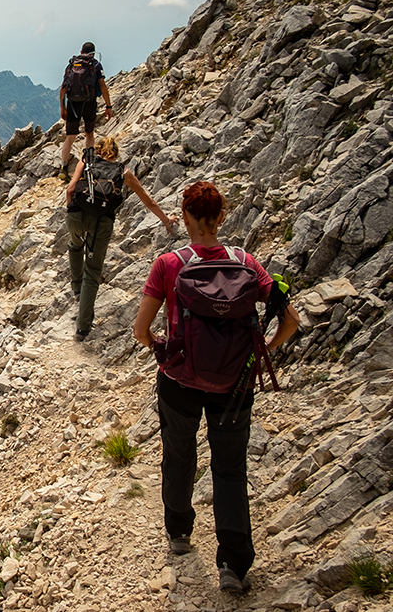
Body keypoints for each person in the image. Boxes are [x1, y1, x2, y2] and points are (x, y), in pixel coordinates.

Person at [132, 181, 300, 594]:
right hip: (235, 384)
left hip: (179, 381)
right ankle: (233, 563)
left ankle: (179, 531)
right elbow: (291, 320)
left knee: (179, 454)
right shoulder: (247, 262)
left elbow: (140, 330)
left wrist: (161, 349)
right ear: (221, 217)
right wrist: (261, 354)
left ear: (185, 216)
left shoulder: (168, 264)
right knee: (229, 467)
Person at [66, 136, 176, 341]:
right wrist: (166, 219)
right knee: (93, 270)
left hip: (77, 215)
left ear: (98, 150)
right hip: (102, 222)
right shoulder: (123, 172)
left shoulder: (86, 161)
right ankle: (82, 329)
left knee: (74, 245)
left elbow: (70, 189)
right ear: (115, 154)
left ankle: (76, 286)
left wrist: (71, 210)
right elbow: (148, 200)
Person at [60, 42, 113, 170]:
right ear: (93, 53)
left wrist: (63, 107)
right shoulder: (95, 64)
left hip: (72, 103)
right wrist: (108, 106)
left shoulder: (72, 65)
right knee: (89, 133)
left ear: (81, 51)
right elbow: (103, 87)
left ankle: (63, 166)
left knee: (70, 137)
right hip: (89, 103)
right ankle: (89, 163)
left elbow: (63, 89)